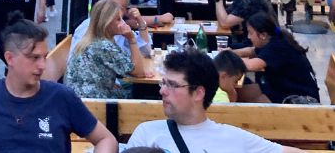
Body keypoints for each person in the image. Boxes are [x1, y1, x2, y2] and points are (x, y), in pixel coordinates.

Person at [0, 13, 118, 153]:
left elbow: (106, 139)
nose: (42, 66)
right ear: (9, 58)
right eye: (34, 58)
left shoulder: (61, 97)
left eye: (44, 57)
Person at [126, 49, 303, 152]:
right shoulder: (146, 133)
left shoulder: (233, 138)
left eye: (172, 85)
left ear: (198, 93)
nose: (162, 91)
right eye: (163, 83)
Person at [66, 0, 150, 99]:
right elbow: (139, 72)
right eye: (118, 19)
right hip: (94, 103)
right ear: (106, 22)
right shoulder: (104, 46)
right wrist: (131, 39)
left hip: (79, 98)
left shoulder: (89, 40)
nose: (123, 23)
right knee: (142, 92)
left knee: (129, 87)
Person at [234, 12, 320, 104]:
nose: (248, 37)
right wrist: (230, 52)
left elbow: (251, 66)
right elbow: (252, 50)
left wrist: (225, 59)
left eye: (251, 33)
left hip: (301, 98)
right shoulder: (273, 39)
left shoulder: (277, 47)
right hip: (282, 88)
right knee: (239, 93)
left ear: (263, 35)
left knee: (251, 107)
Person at [69, 0, 151, 61]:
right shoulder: (87, 27)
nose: (116, 11)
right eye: (112, 7)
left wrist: (140, 21)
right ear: (104, 5)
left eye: (121, 8)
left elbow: (145, 51)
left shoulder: (119, 26)